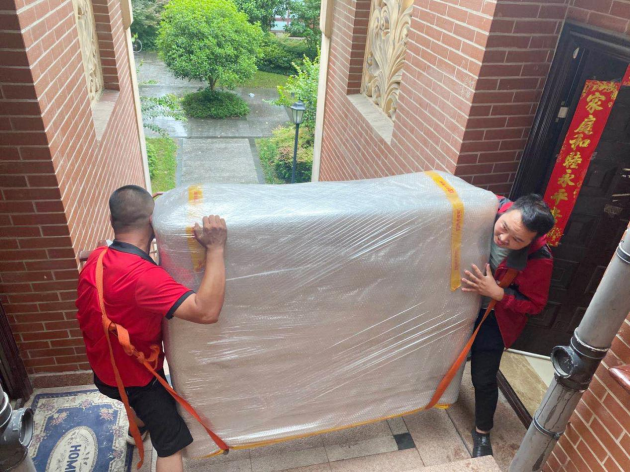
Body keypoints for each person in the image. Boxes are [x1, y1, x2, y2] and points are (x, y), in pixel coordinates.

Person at [76, 185, 227, 472]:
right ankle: (148, 422)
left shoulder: (97, 256)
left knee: (135, 401)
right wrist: (216, 248)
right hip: (137, 379)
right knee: (170, 444)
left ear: (112, 220)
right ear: (152, 222)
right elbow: (207, 311)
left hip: (103, 370)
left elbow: (107, 254)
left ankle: (139, 424)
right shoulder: (143, 277)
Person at [461, 194, 555, 458]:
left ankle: (482, 432)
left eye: (517, 240)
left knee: (483, 377)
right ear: (505, 211)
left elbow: (535, 305)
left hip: (495, 319)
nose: (504, 239)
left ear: (531, 240)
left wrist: (499, 294)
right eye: (503, 227)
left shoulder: (539, 259)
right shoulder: (487, 205)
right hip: (458, 304)